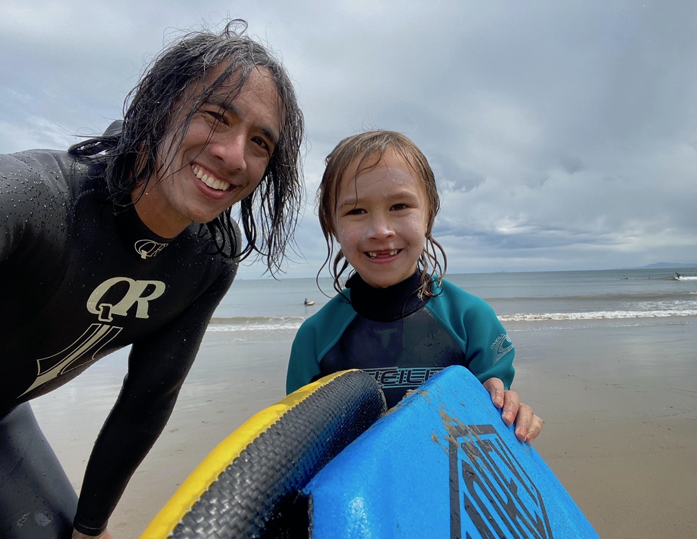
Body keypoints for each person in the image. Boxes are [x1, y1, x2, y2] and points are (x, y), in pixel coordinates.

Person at [0, 20, 303, 539]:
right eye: (215, 116)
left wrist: (91, 526)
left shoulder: (207, 262)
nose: (233, 155)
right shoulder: (35, 199)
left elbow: (147, 400)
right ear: (161, 107)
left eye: (258, 142)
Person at [286, 130, 541, 442]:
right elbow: (300, 444)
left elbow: (495, 419)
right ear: (331, 224)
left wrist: (514, 414)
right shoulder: (315, 339)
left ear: (428, 214)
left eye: (400, 206)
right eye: (356, 211)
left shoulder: (471, 320)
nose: (381, 231)